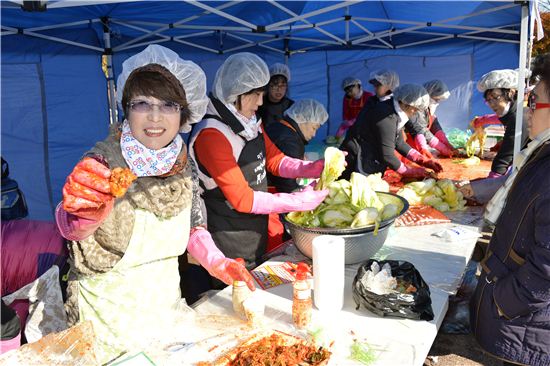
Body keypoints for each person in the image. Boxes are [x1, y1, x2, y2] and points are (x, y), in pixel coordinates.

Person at [54, 45, 255, 364]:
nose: (155, 117)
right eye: (142, 103)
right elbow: (72, 227)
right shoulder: (102, 163)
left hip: (168, 320)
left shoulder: (182, 164)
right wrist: (82, 211)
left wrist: (217, 262)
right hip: (110, 331)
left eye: (168, 105)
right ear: (126, 108)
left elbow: (193, 226)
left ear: (183, 113)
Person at [189, 52, 328, 270]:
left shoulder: (248, 122)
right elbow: (242, 199)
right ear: (236, 92)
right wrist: (297, 202)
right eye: (255, 94)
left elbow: (274, 160)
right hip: (228, 237)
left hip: (255, 228)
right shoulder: (211, 134)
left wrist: (311, 168)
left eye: (262, 93)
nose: (261, 102)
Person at [470, 52, 550, 366]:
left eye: (536, 101)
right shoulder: (541, 151)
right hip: (527, 320)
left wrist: (505, 301)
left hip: (530, 324)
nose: (528, 111)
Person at [340, 83, 443, 180]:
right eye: (415, 110)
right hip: (357, 156)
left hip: (367, 154)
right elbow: (387, 155)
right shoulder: (386, 116)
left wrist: (421, 160)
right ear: (406, 104)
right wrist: (410, 171)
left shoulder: (394, 110)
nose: (414, 113)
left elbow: (399, 142)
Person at [266, 99, 329, 193]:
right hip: (271, 192)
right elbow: (287, 186)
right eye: (314, 128)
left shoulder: (278, 126)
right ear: (301, 118)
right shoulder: (290, 143)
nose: (314, 134)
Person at [477, 69, 529, 177]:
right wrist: (483, 120)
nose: (492, 104)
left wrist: (491, 183)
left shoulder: (518, 118)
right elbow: (501, 118)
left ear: (511, 92)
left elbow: (503, 160)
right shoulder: (515, 111)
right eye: (488, 100)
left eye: (495, 97)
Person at [405, 80, 456, 158]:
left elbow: (435, 126)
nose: (437, 102)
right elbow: (420, 130)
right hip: (406, 149)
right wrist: (441, 148)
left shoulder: (428, 110)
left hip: (416, 149)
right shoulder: (415, 109)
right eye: (436, 99)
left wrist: (446, 142)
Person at [257, 62, 294, 127]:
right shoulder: (259, 104)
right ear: (268, 85)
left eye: (282, 85)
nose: (279, 90)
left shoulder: (291, 106)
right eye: (275, 85)